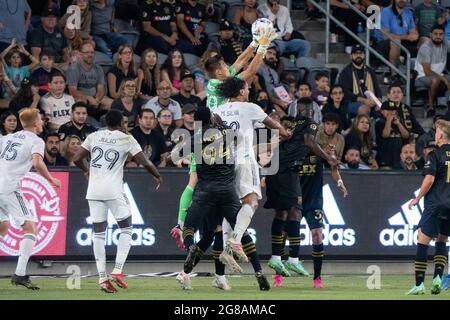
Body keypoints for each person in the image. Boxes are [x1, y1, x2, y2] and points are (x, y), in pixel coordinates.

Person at [176, 106, 269, 291]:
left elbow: (181, 154)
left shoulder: (193, 140)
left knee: (190, 227)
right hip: (227, 191)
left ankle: (190, 248)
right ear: (212, 119)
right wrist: (220, 123)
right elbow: (240, 138)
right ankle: (258, 270)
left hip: (205, 192)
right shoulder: (226, 131)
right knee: (240, 231)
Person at [73, 109, 162, 293]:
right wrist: (157, 176)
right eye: (124, 122)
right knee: (127, 228)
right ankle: (118, 270)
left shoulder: (94, 136)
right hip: (113, 190)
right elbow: (144, 161)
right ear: (121, 123)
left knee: (98, 233)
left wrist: (86, 170)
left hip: (94, 191)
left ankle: (102, 278)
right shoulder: (126, 138)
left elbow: (75, 158)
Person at [214, 76, 289, 268]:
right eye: (247, 89)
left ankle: (225, 249)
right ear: (240, 91)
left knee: (230, 207)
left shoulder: (218, 110)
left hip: (223, 163)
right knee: (252, 201)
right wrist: (284, 132)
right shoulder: (250, 108)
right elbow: (272, 123)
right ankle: (236, 239)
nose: (249, 91)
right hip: (245, 160)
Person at [265, 97, 339, 287]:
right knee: (294, 209)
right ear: (312, 110)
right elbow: (308, 140)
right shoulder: (309, 126)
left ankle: (279, 258)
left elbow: (284, 138)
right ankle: (293, 261)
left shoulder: (291, 125)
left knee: (282, 213)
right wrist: (329, 159)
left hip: (275, 168)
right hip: (287, 170)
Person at [0, 108, 61, 290]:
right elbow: (36, 162)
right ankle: (19, 274)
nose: (42, 122)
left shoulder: (8, 137)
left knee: (3, 227)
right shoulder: (35, 140)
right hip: (9, 188)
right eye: (41, 120)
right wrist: (50, 179)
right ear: (36, 123)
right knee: (30, 228)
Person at [407, 119, 450, 295]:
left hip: (436, 203)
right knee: (442, 240)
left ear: (440, 135)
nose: (435, 135)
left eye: (437, 132)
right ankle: (437, 278)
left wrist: (417, 198)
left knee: (422, 239)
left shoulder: (435, 155)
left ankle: (419, 284)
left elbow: (430, 179)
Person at [377, 0, 419, 84]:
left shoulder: (408, 12)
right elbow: (386, 35)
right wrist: (407, 37)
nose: (402, 0)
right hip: (384, 43)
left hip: (403, 41)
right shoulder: (386, 11)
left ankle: (417, 76)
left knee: (422, 42)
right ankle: (394, 75)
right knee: (396, 41)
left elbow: (413, 31)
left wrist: (415, 34)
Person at [414, 24, 450, 117]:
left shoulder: (445, 43)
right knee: (436, 80)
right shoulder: (425, 48)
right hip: (422, 76)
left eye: (441, 34)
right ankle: (430, 106)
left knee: (439, 78)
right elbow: (427, 72)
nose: (438, 36)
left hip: (438, 74)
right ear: (430, 34)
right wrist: (444, 79)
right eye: (436, 34)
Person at [337, 44, 382, 116]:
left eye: (360, 53)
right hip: (351, 102)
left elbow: (377, 88)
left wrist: (378, 100)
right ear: (351, 56)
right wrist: (364, 100)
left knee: (388, 109)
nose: (358, 55)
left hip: (371, 101)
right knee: (365, 108)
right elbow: (346, 93)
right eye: (355, 53)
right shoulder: (345, 72)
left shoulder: (370, 71)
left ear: (364, 55)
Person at [67, 42, 113, 111]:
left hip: (96, 98)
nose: (90, 55)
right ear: (81, 54)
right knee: (81, 102)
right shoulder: (73, 68)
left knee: (112, 103)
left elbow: (101, 89)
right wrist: (88, 98)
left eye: (92, 52)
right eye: (87, 52)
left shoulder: (98, 68)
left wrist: (97, 99)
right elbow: (73, 91)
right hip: (80, 98)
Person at [375, 101, 411, 169]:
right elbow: (385, 135)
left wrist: (399, 124)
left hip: (398, 159)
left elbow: (406, 136)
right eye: (388, 109)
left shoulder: (399, 122)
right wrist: (389, 120)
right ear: (382, 111)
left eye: (393, 110)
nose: (391, 112)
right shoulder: (379, 122)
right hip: (384, 157)